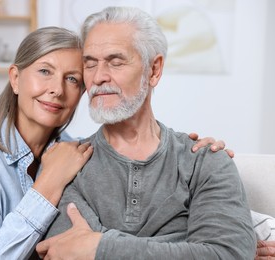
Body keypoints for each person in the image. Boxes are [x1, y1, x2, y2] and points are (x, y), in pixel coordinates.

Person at [0, 26, 223, 260]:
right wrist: (47, 184)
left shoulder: (75, 153)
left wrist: (191, 156)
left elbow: (144, 215)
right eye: (44, 72)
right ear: (16, 79)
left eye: (72, 79)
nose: (57, 89)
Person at [37, 7, 257, 259]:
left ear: (153, 70)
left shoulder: (205, 161)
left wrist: (99, 247)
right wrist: (183, 245)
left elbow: (229, 254)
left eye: (115, 61)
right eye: (90, 64)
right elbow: (65, 253)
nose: (98, 77)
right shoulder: (64, 164)